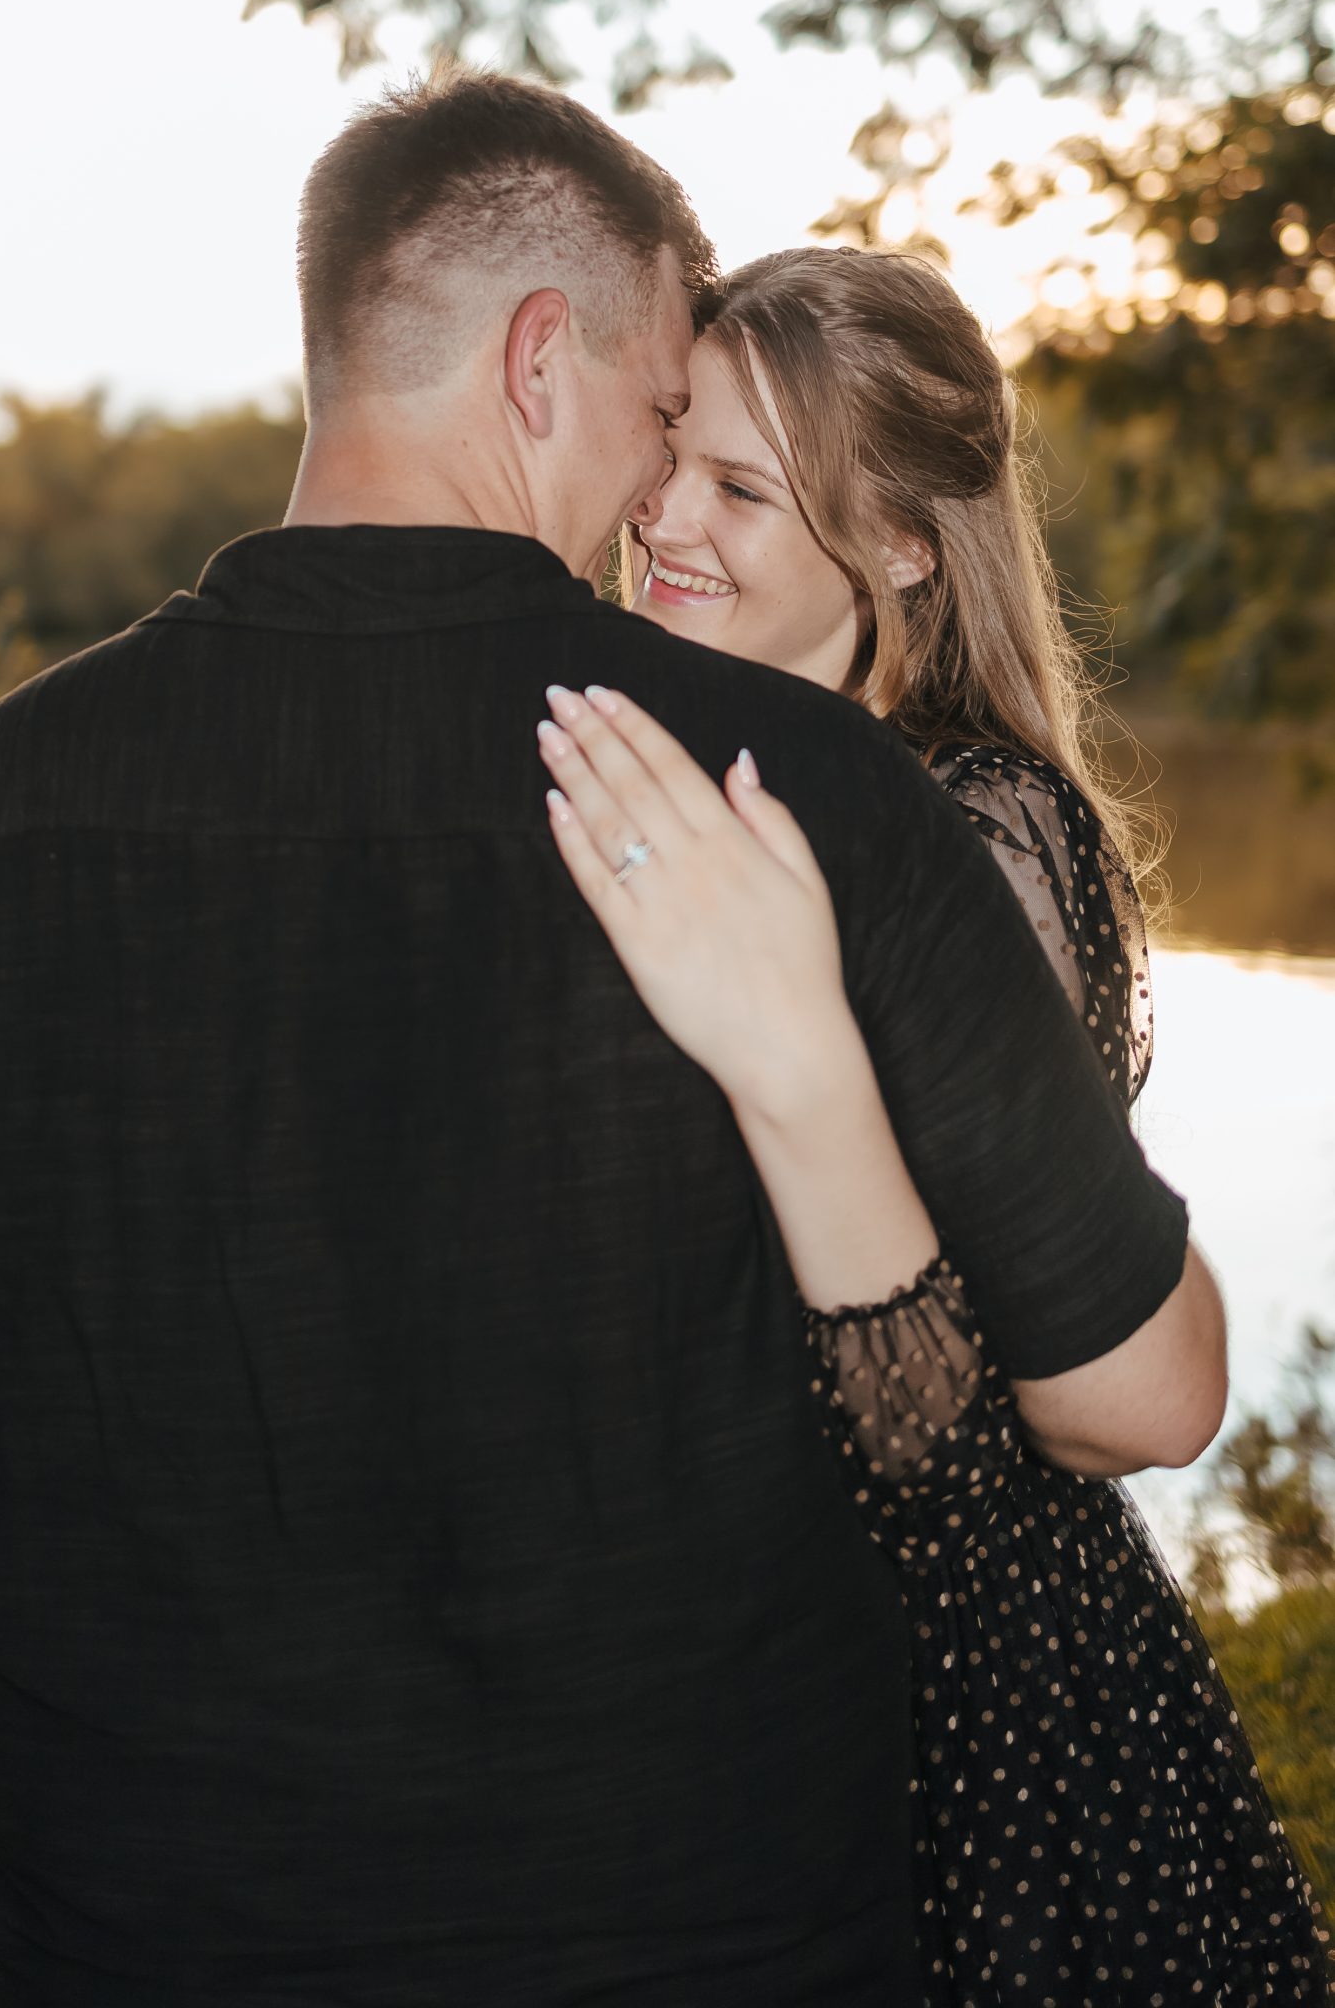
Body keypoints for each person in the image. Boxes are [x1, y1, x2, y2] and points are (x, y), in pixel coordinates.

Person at [0, 72, 1222, 2008]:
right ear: (537, 361)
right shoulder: (800, 802)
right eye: (660, 413)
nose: (654, 492)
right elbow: (1134, 1392)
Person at [539, 241, 1329, 1999]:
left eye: (742, 490)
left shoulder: (977, 829)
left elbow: (1027, 1404)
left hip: (963, 1692)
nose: (662, 518)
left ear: (901, 545)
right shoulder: (692, 776)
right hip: (727, 1655)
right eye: (668, 454)